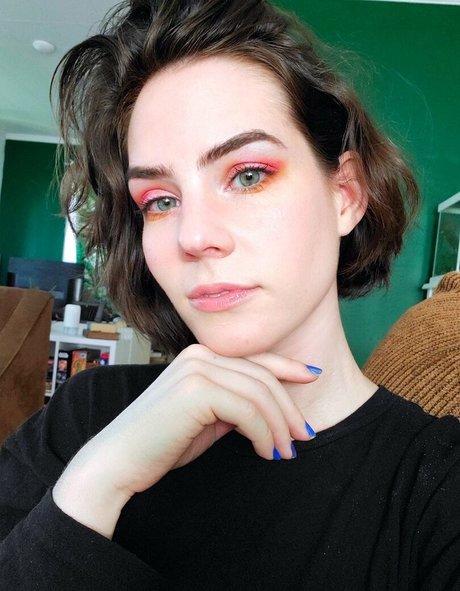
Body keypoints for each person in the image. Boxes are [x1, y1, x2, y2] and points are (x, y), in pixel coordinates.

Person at [0, 1, 459, 589]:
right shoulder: (84, 417)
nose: (193, 236)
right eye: (160, 200)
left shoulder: (439, 489)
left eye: (248, 175)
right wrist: (95, 485)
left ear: (345, 195)